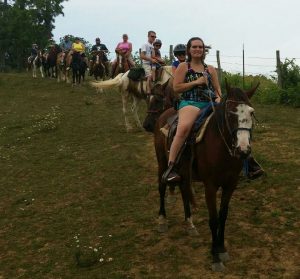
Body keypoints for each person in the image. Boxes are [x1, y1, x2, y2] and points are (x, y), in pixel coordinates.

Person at [162, 37, 222, 183]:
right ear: (189, 49)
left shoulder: (210, 69)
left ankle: (247, 161)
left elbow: (217, 88)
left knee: (232, 122)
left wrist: (219, 98)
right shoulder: (184, 67)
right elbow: (176, 87)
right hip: (190, 102)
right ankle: (171, 167)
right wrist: (196, 82)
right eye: (194, 47)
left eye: (200, 47)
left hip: (209, 102)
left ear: (204, 50)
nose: (197, 49)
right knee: (183, 129)